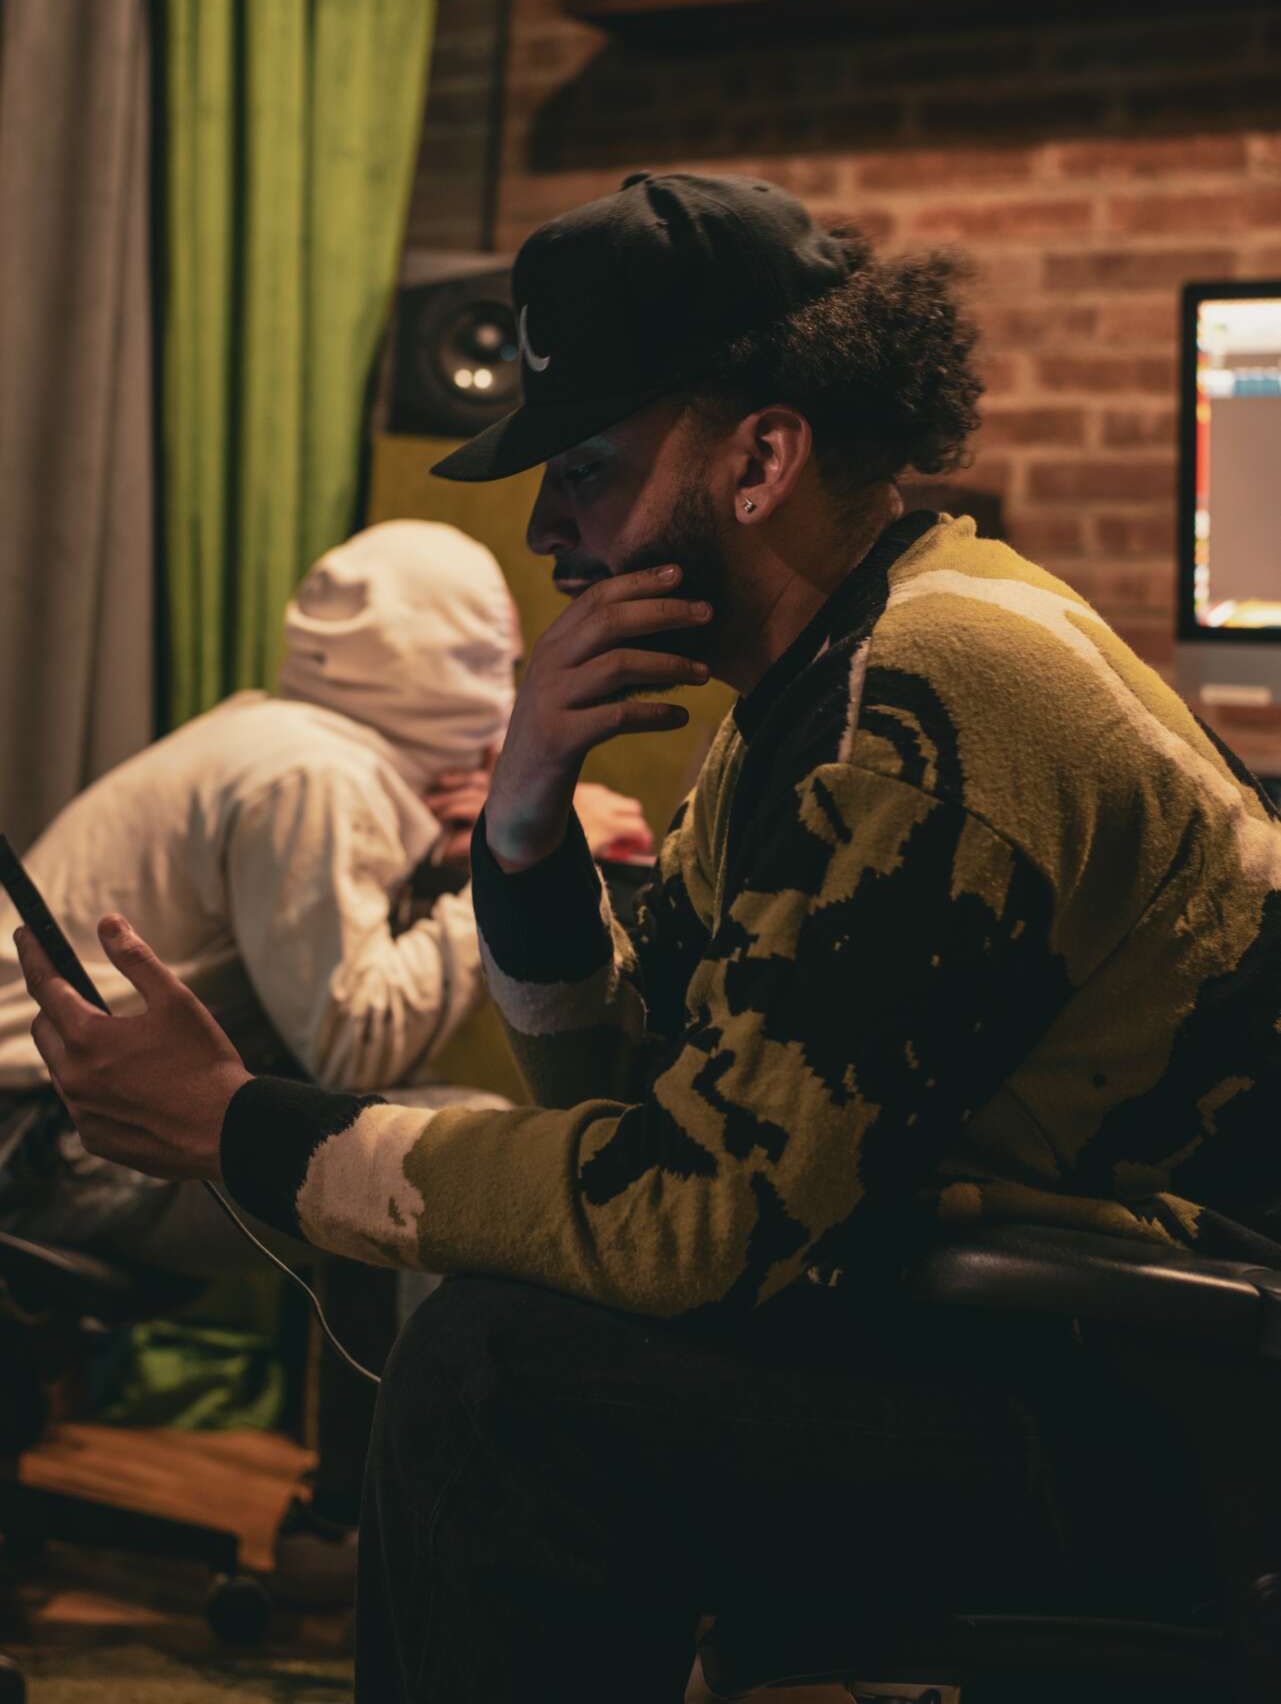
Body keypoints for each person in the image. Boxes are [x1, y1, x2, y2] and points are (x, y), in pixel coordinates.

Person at [18, 170, 1281, 1702]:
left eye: (587, 468)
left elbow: (689, 1215)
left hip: (1165, 1413)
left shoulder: (927, 698)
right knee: (505, 1332)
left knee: (500, 1383)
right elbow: (619, 1092)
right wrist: (525, 830)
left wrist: (240, 1126)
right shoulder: (804, 698)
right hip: (1035, 1338)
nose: (548, 528)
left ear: (760, 458)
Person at [0, 514, 649, 1598]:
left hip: (54, 1124)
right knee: (441, 1154)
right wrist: (506, 858)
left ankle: (346, 1519)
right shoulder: (314, 778)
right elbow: (353, 1040)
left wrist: (462, 845)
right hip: (43, 1145)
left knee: (402, 1148)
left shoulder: (282, 738)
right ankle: (395, 1538)